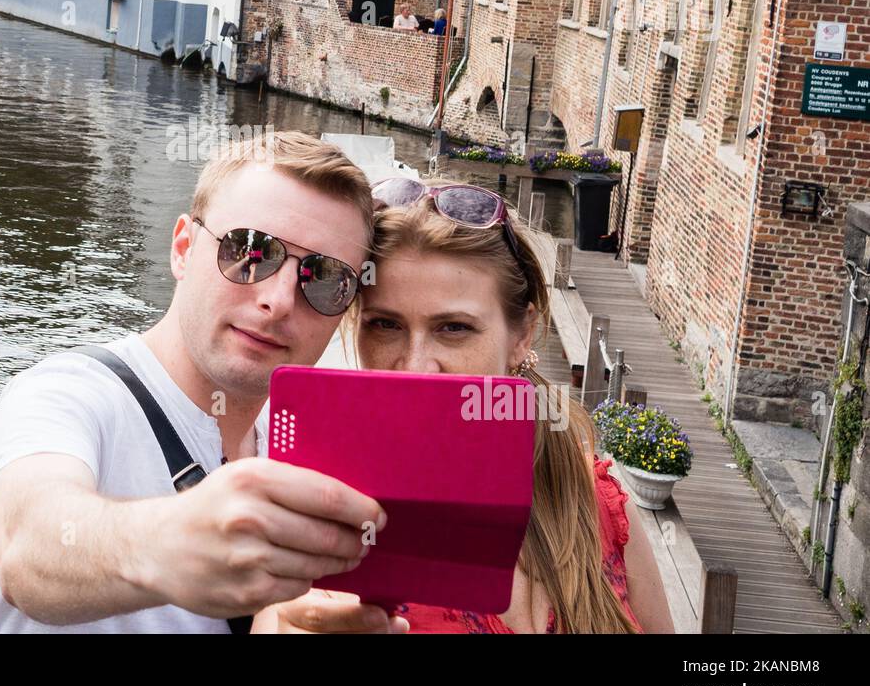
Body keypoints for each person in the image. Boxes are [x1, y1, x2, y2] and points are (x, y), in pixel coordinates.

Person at [0, 130, 406, 633]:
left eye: (322, 278)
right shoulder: (68, 395)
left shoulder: (310, 455)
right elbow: (28, 544)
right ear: (183, 248)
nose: (278, 300)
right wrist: (167, 546)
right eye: (250, 250)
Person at [253, 179, 675, 634]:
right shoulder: (322, 527)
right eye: (384, 325)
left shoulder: (598, 508)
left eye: (454, 328)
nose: (416, 369)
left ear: (522, 336)